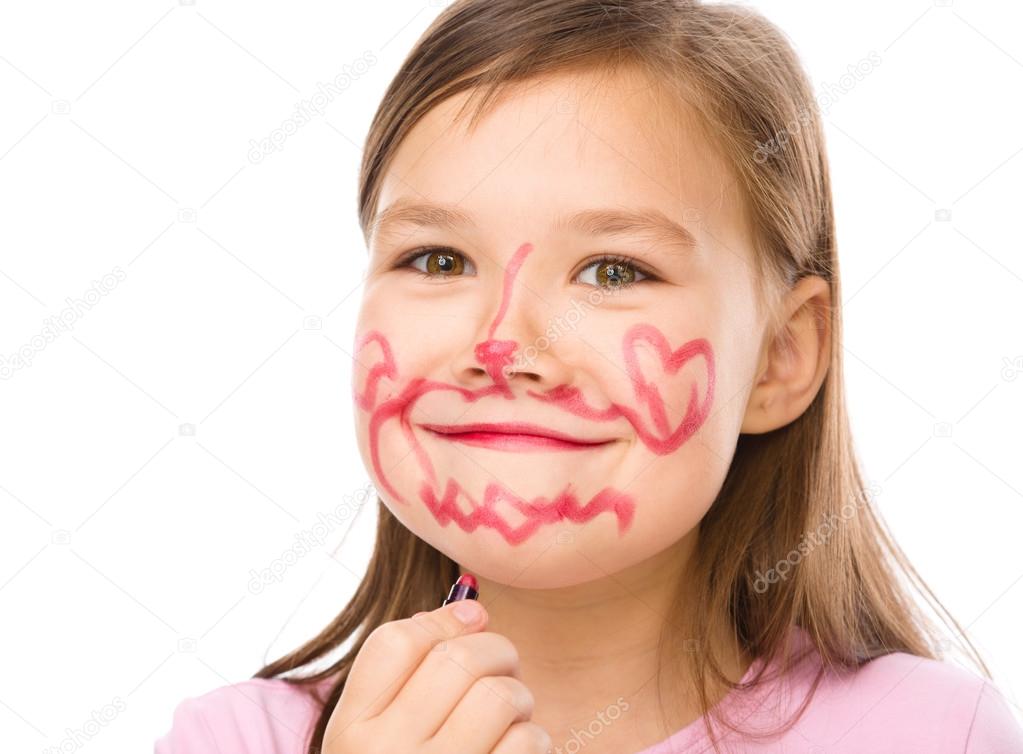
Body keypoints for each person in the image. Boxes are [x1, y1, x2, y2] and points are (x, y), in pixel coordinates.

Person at [155, 1, 1023, 752]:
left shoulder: (928, 733)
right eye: (438, 258)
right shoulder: (234, 741)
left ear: (779, 357)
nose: (503, 344)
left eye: (613, 271)